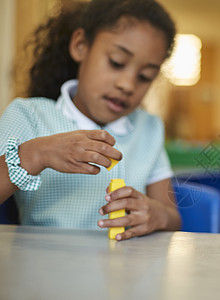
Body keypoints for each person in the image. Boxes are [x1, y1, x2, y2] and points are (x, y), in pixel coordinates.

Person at [0, 0, 181, 240]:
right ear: (80, 45)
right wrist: (36, 154)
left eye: (145, 76)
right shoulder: (29, 116)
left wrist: (156, 214)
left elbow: (172, 216)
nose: (127, 85)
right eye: (116, 62)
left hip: (123, 272)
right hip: (46, 270)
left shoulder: (149, 128)